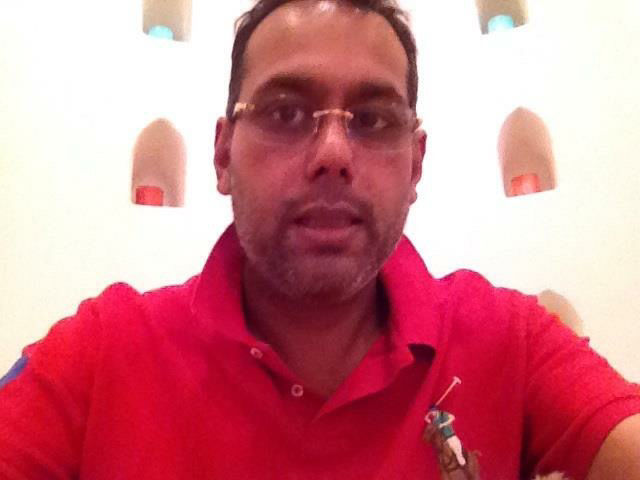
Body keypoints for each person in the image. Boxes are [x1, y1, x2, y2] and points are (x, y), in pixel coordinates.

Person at [1, 1, 639, 478]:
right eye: (285, 113)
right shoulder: (99, 355)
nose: (333, 153)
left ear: (415, 166)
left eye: (373, 119)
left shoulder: (511, 341)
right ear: (222, 156)